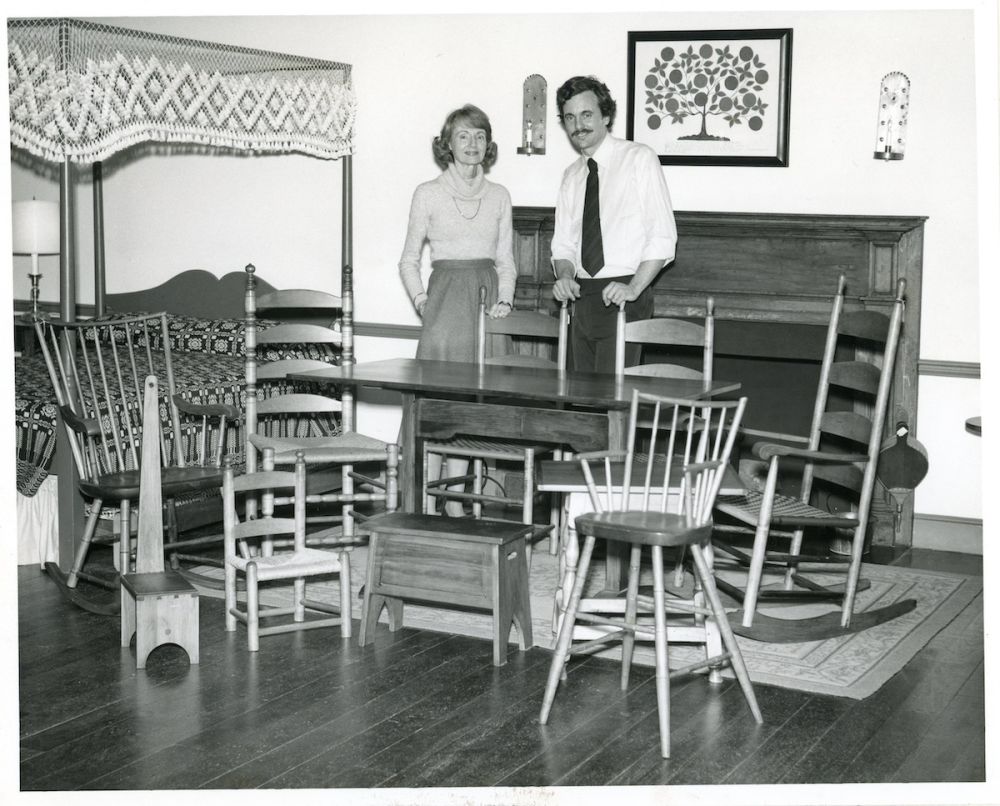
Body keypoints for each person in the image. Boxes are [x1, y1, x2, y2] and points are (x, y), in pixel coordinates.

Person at [398, 103, 515, 516]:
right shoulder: (427, 193)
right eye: (463, 136)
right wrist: (421, 301)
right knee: (437, 406)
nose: (472, 144)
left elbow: (506, 260)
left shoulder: (500, 196)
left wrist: (506, 300)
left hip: (486, 304)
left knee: (470, 410)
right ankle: (429, 500)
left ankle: (456, 501)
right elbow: (408, 259)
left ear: (489, 145)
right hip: (444, 306)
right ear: (447, 144)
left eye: (480, 136)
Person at [550, 75, 678, 373]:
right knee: (577, 399)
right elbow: (564, 245)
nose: (578, 125)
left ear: (606, 115)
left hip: (624, 295)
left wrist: (633, 288)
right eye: (570, 117)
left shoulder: (639, 159)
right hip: (580, 299)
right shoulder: (572, 175)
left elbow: (662, 237)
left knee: (613, 401)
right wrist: (565, 276)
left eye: (586, 115)